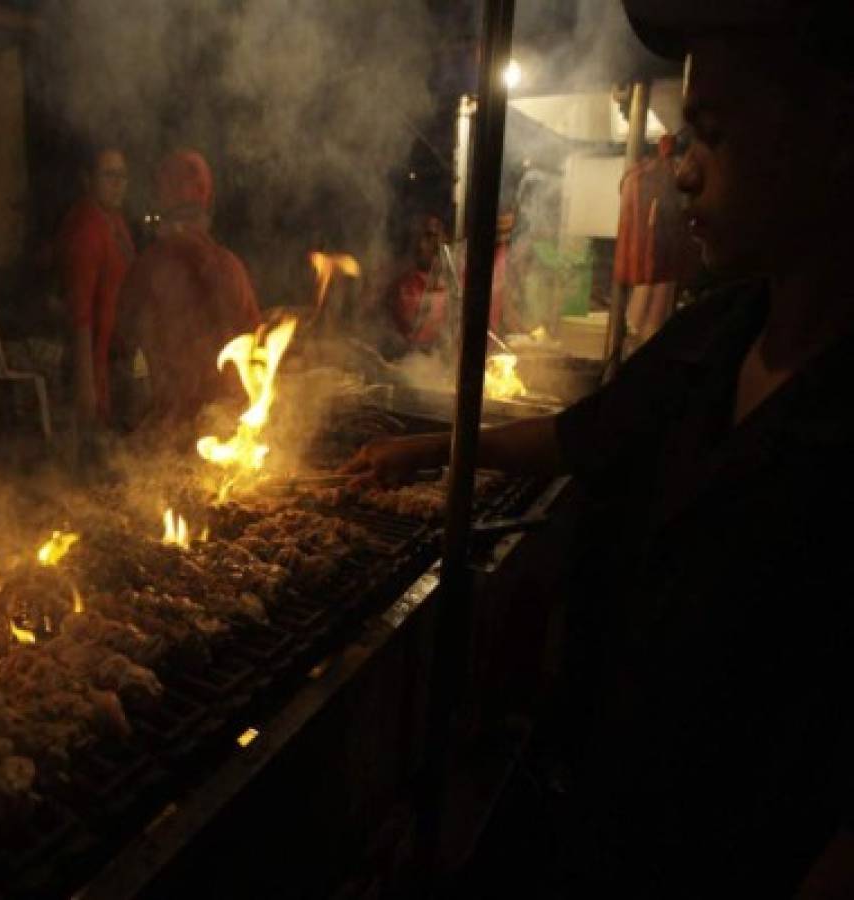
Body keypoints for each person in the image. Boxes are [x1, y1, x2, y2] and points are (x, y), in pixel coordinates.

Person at [343, 2, 854, 895]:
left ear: (835, 135)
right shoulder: (718, 334)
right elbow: (584, 436)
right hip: (595, 813)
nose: (682, 176)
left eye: (714, 136)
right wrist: (431, 451)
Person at [118, 149, 261, 433]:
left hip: (168, 428)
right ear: (207, 207)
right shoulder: (228, 267)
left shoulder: (144, 270)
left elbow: (124, 343)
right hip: (229, 428)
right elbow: (255, 345)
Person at [57, 145, 135, 428]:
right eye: (109, 175)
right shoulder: (85, 229)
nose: (118, 184)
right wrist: (86, 383)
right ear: (88, 179)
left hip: (115, 354)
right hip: (93, 360)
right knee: (96, 449)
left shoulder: (114, 221)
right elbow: (80, 312)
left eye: (122, 176)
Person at [616, 134, 698, 346]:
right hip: (656, 255)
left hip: (659, 256)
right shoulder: (649, 175)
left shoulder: (643, 175)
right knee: (645, 316)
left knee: (646, 316)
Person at [378, 213, 451, 358]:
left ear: (446, 241)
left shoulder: (456, 287)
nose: (421, 245)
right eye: (418, 237)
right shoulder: (398, 284)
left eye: (431, 237)